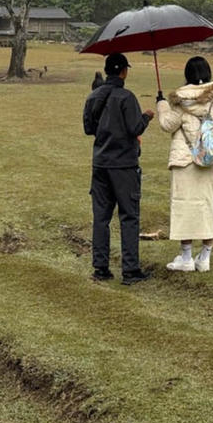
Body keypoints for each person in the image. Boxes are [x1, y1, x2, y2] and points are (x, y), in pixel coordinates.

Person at [156, 56, 213, 273]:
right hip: (209, 161)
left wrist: (162, 105)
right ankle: (205, 257)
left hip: (184, 160)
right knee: (206, 207)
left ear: (187, 75)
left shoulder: (180, 100)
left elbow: (167, 125)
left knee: (184, 207)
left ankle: (186, 257)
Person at [82, 52, 155, 284]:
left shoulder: (94, 96)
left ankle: (101, 267)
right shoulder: (126, 97)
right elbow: (135, 128)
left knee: (101, 217)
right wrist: (146, 117)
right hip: (124, 165)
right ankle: (130, 270)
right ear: (124, 71)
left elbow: (88, 128)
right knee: (129, 216)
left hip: (100, 162)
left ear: (107, 71)